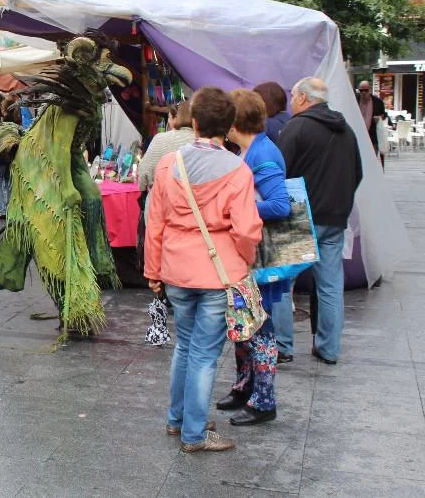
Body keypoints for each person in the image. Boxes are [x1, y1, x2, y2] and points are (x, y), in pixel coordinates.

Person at [0, 33, 132, 336]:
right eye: (106, 60)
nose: (114, 69)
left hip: (65, 162)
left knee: (88, 202)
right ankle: (65, 307)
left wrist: (82, 187)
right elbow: (57, 148)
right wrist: (67, 189)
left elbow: (72, 152)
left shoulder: (84, 98)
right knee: (47, 238)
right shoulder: (69, 102)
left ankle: (81, 293)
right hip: (40, 167)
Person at [145, 86, 263, 453]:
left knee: (185, 347)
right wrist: (245, 260)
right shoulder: (238, 170)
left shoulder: (169, 163)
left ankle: (178, 418)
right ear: (228, 127)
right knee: (204, 355)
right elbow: (246, 230)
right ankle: (194, 434)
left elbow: (155, 222)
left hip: (176, 269)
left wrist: (153, 270)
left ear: (194, 123)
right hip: (217, 273)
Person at [216, 89, 291, 425]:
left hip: (260, 259)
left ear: (234, 123)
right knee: (246, 324)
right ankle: (244, 387)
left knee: (260, 328)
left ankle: (263, 400)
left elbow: (279, 204)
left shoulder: (262, 154)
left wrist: (238, 208)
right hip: (250, 257)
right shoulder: (252, 150)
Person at [274, 77, 362, 365]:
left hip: (300, 214)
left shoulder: (296, 127)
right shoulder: (346, 130)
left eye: (293, 96)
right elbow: (357, 173)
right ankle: (328, 348)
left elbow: (280, 172)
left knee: (283, 283)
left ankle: (283, 346)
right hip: (335, 216)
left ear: (302, 97)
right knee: (330, 286)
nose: (291, 101)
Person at [137, 101, 194, 194]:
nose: (168, 121)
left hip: (162, 196)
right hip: (193, 198)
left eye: (169, 117)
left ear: (175, 117)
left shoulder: (160, 139)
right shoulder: (202, 141)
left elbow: (144, 171)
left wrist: (143, 190)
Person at [357, 80, 386, 160]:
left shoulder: (378, 102)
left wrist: (380, 118)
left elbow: (383, 115)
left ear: (370, 90)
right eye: (361, 90)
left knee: (372, 159)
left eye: (365, 90)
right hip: (358, 136)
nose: (363, 93)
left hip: (373, 136)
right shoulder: (355, 101)